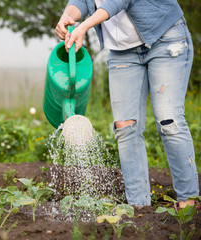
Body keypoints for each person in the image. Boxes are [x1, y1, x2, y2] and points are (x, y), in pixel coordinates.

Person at [55, 0, 199, 207]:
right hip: (123, 51)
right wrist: (67, 16)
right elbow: (81, 2)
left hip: (165, 38)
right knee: (125, 127)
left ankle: (188, 200)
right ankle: (138, 207)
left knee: (169, 121)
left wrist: (84, 26)